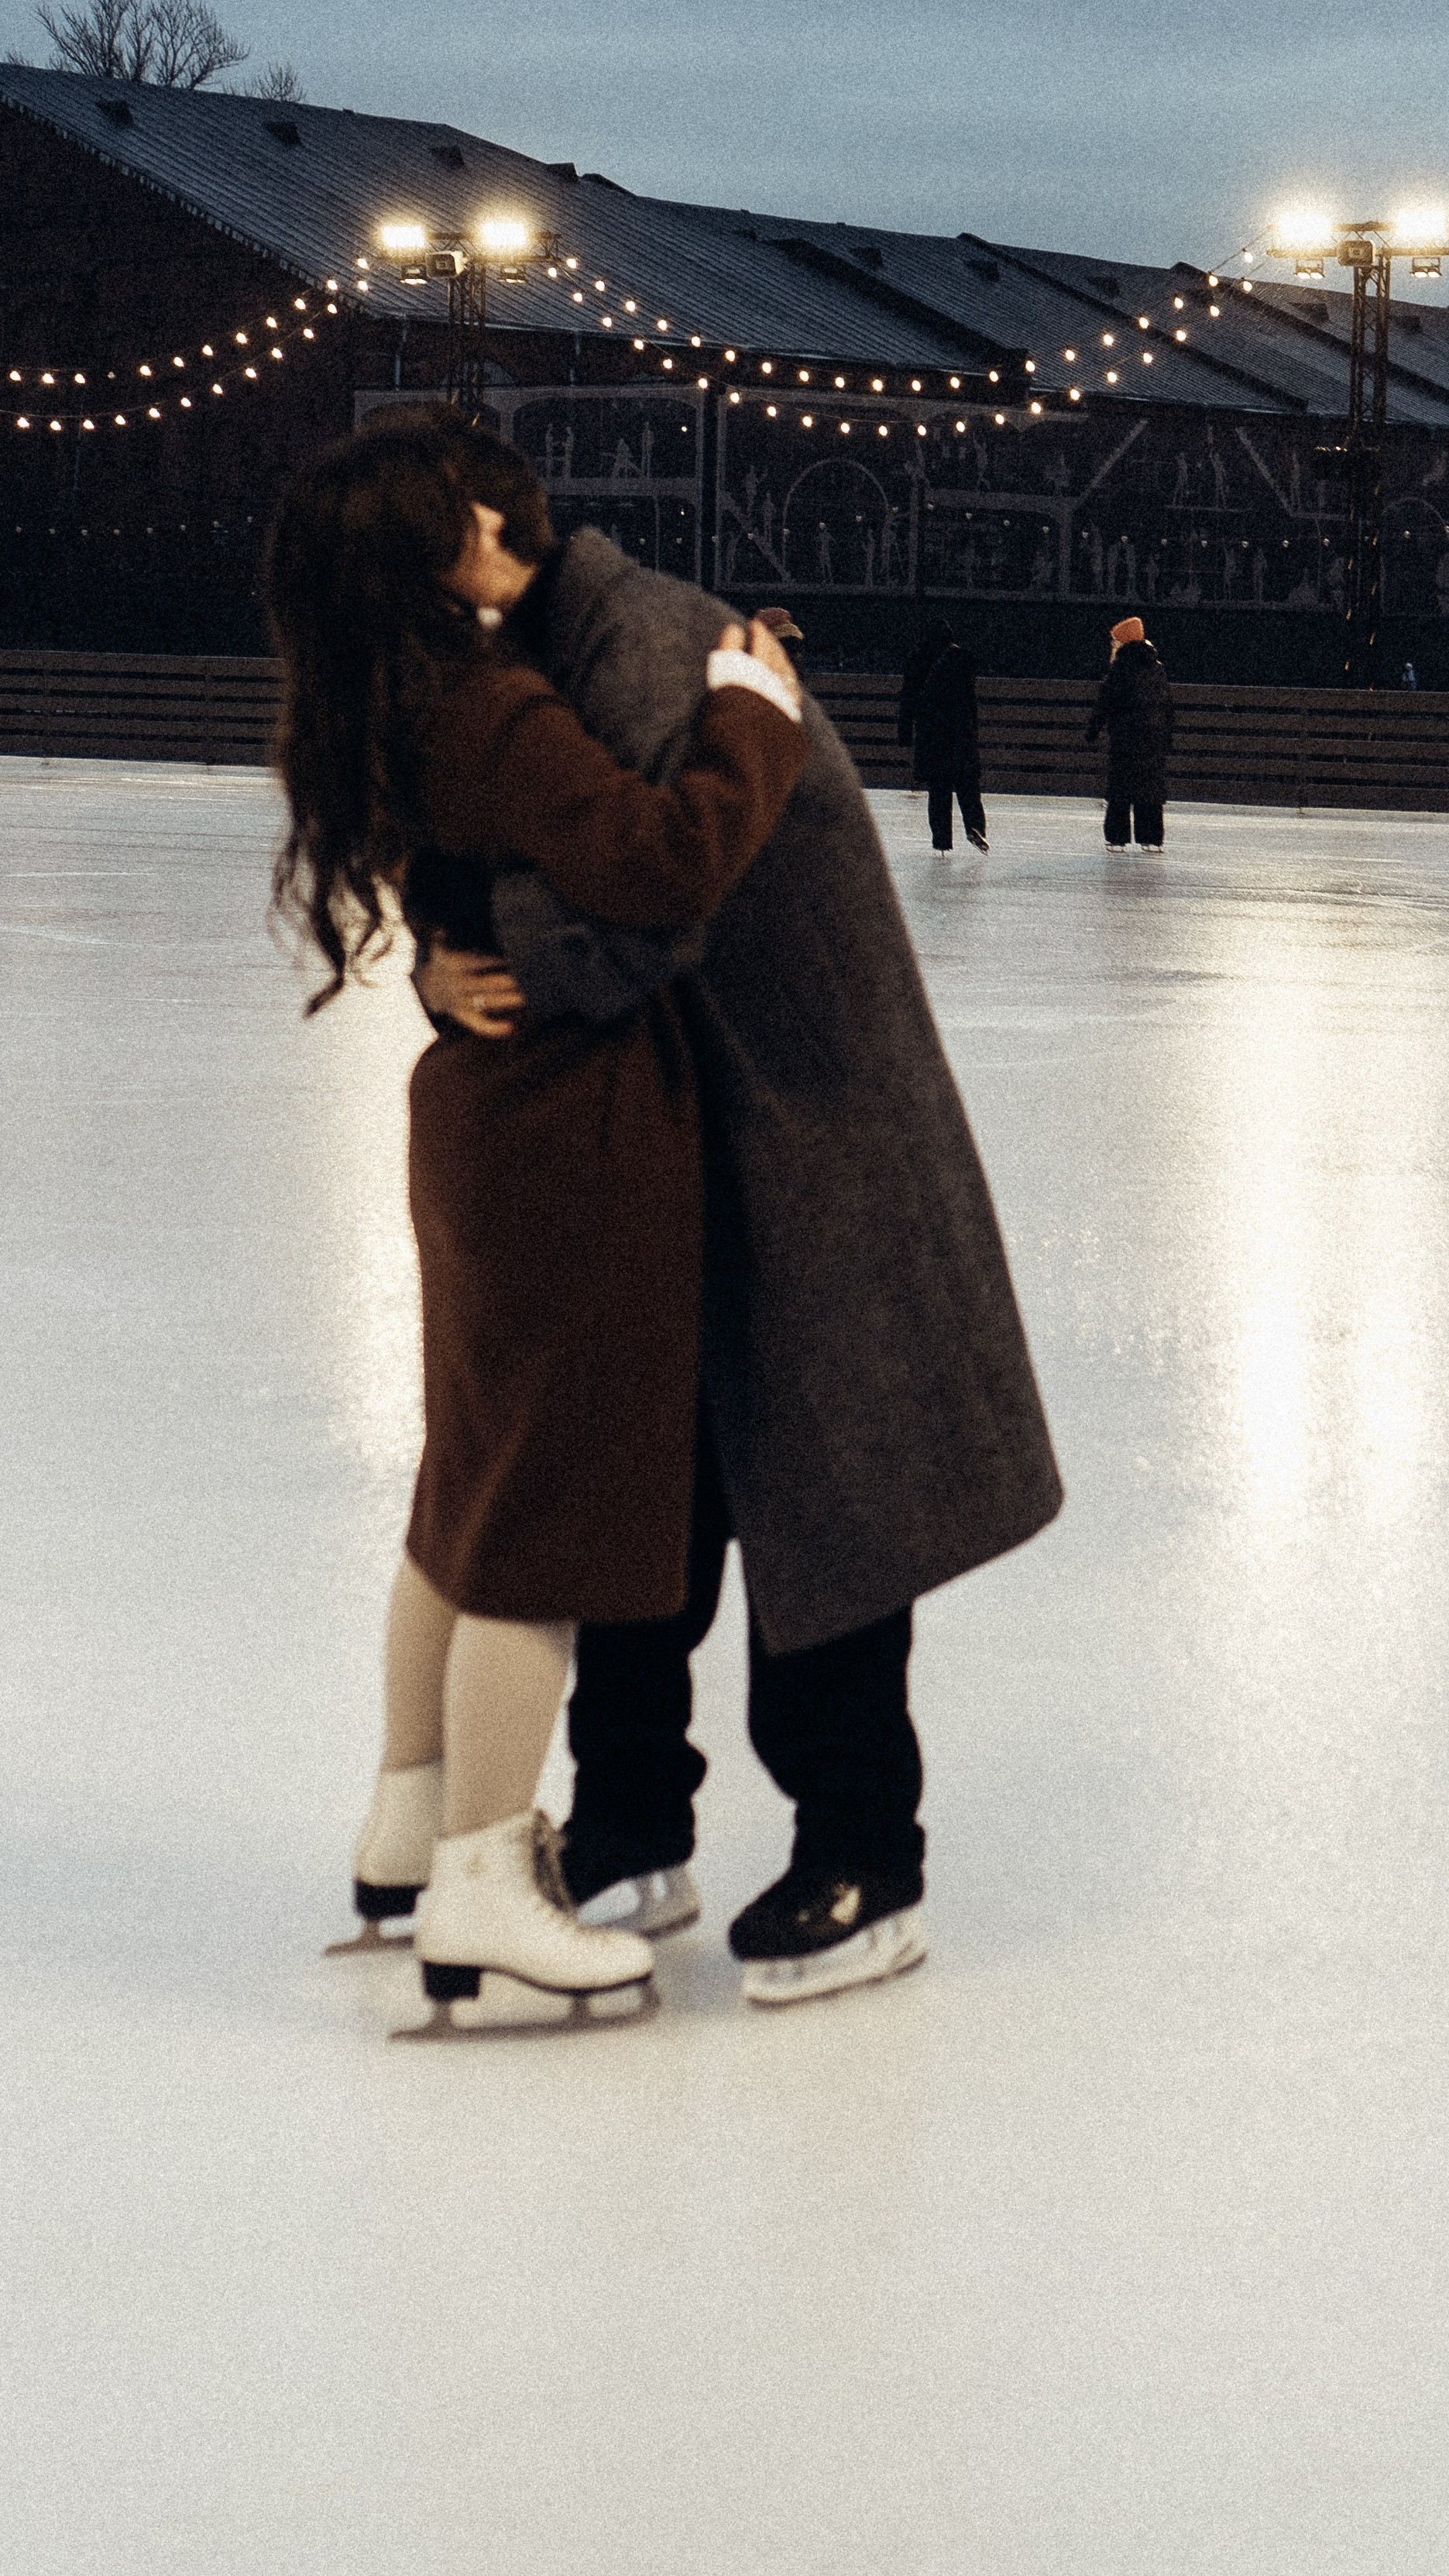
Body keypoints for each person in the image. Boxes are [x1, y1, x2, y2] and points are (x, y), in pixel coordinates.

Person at [405, 421, 1063, 2005]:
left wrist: (477, 951)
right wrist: (445, 960)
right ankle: (635, 1826)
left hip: (808, 1124)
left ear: (493, 528)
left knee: (825, 1499)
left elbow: (651, 899)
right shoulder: (544, 655)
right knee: (643, 1494)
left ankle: (867, 1853)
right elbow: (506, 848)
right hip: (677, 1126)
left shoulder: (643, 653)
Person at [265, 414, 808, 2027]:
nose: (520, 529)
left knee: (468, 1482)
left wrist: (442, 955)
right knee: (541, 1522)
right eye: (491, 516)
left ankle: (411, 1805)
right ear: (456, 549)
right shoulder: (493, 706)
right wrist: (752, 712)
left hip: (477, 1131)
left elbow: (454, 882)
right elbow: (662, 858)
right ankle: (487, 1877)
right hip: (567, 1136)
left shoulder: (390, 701)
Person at [898, 618, 987, 852]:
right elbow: (970, 702)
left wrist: (905, 731)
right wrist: (972, 730)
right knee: (968, 786)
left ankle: (941, 839)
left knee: (938, 790)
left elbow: (908, 698)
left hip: (932, 734)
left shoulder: (918, 660)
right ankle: (975, 827)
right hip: (960, 733)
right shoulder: (961, 660)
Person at [1086, 616, 1173, 851]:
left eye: (1115, 642)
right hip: (1152, 739)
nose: (1113, 646)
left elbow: (1105, 702)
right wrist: (1167, 738)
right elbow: (1167, 706)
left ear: (1123, 643)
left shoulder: (1120, 668)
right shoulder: (1157, 669)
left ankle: (1117, 838)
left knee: (1120, 790)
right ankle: (1151, 839)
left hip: (1125, 739)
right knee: (1150, 790)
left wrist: (1093, 730)